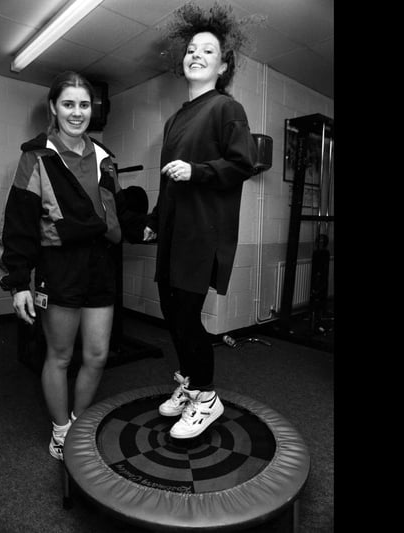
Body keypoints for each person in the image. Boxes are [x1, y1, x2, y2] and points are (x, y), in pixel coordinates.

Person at [0, 71, 127, 461]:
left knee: (98, 354)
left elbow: (113, 213)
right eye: (68, 104)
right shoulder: (35, 156)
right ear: (54, 108)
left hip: (100, 262)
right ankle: (60, 432)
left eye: (84, 105)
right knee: (60, 355)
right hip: (60, 264)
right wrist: (19, 281)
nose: (77, 112)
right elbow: (18, 221)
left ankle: (78, 423)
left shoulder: (106, 158)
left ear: (93, 110)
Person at [144, 3, 257, 439]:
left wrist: (199, 171)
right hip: (173, 231)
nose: (196, 55)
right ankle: (190, 383)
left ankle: (207, 398)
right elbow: (167, 180)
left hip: (201, 233)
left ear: (223, 65)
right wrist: (155, 218)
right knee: (172, 315)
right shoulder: (174, 119)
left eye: (207, 51)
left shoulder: (227, 108)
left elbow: (242, 163)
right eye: (191, 49)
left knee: (187, 317)